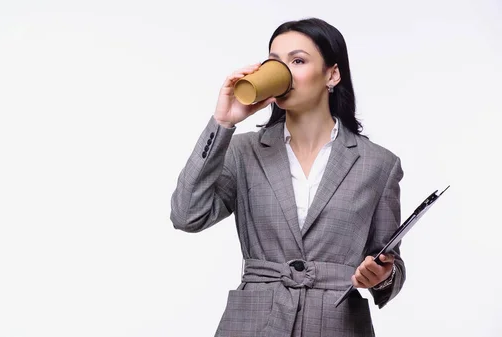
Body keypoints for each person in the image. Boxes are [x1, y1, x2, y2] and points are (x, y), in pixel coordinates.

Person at [170, 17, 405, 337]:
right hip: (253, 324)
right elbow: (187, 215)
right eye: (274, 62)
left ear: (332, 74)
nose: (283, 72)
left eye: (298, 60)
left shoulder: (378, 164)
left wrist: (382, 276)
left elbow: (390, 263)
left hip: (337, 324)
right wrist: (223, 123)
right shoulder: (243, 152)